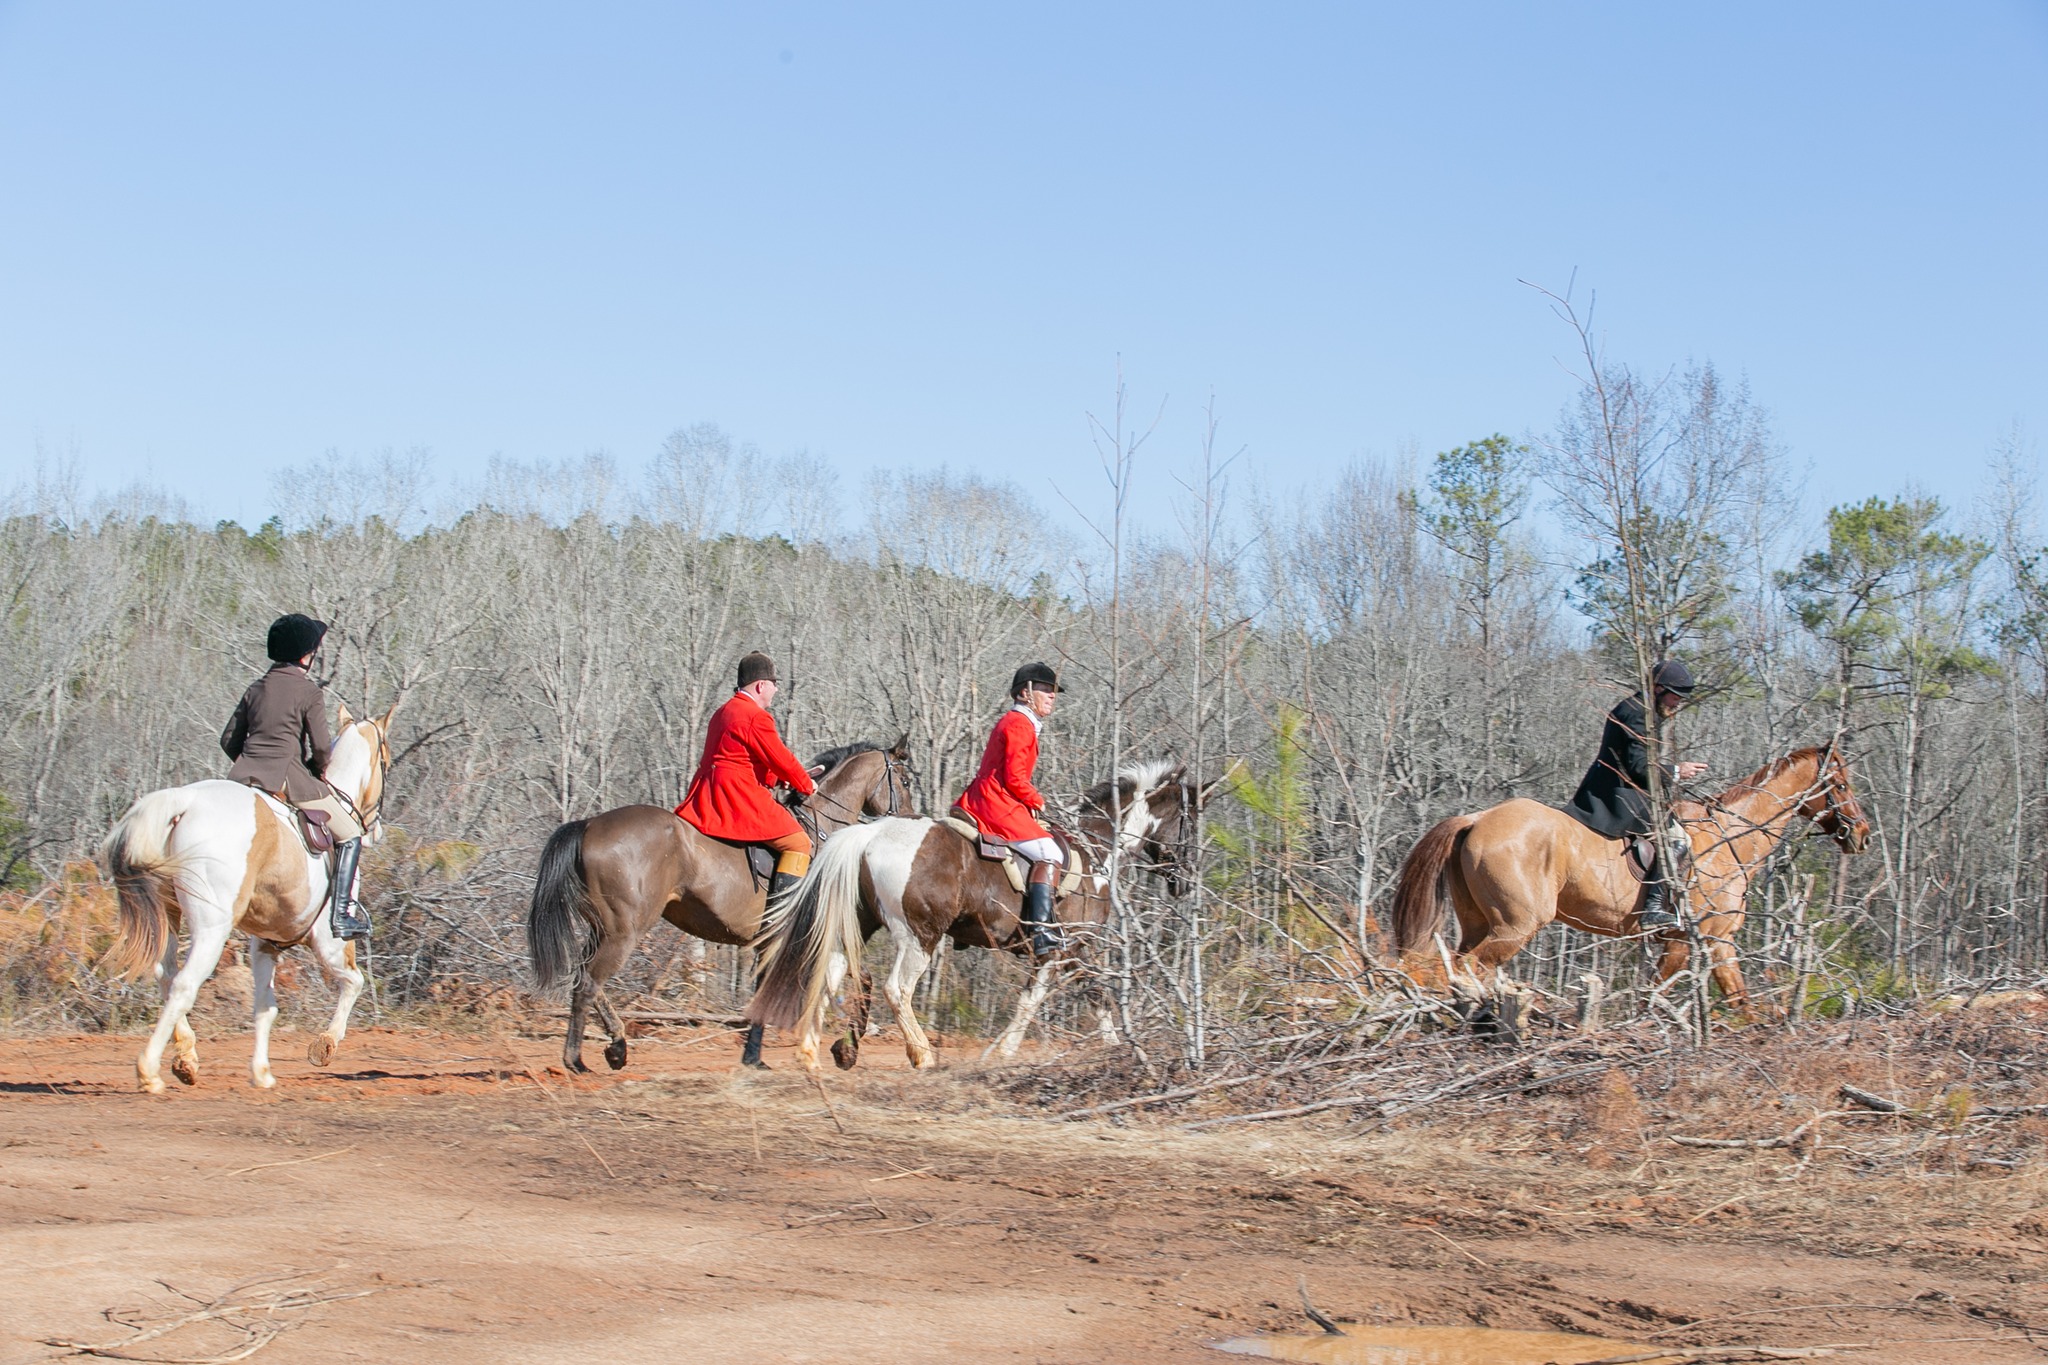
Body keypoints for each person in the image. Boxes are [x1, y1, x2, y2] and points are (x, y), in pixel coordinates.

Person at [221, 613, 370, 940]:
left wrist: (251, 763)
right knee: (352, 833)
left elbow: (228, 740)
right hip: (289, 778)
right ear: (306, 655)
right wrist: (316, 772)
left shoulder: (255, 689)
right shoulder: (309, 693)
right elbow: (320, 749)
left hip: (243, 776)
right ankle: (342, 916)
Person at [1563, 660, 1709, 930]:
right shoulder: (1638, 713)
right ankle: (1653, 908)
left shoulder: (1639, 709)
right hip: (1618, 795)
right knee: (1678, 838)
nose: (1677, 703)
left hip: (1623, 789)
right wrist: (1676, 771)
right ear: (1657, 688)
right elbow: (1639, 767)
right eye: (1675, 696)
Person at [675, 652, 818, 902]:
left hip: (705, 793)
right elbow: (781, 758)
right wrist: (806, 785)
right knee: (800, 843)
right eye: (774, 684)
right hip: (736, 795)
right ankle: (780, 917)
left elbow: (742, 758)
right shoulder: (755, 715)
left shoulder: (723, 711)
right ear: (761, 685)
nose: (776, 691)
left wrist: (777, 780)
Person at [954, 662, 1064, 957]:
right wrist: (1036, 800)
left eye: (1054, 691)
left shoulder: (1019, 723)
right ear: (1026, 692)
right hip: (996, 803)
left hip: (993, 798)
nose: (1052, 696)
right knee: (1051, 853)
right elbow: (1015, 778)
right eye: (1046, 690)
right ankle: (1041, 930)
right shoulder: (1019, 724)